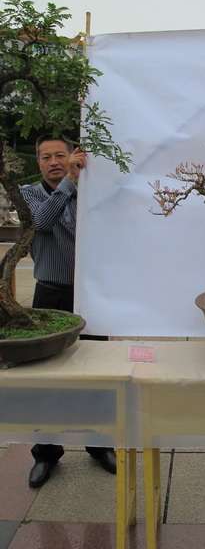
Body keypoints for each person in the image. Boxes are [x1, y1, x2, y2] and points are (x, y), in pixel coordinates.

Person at [21, 135, 116, 488]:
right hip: (50, 291)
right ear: (38, 162)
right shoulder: (29, 193)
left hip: (90, 293)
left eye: (60, 155)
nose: (54, 162)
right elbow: (42, 223)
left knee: (97, 372)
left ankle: (100, 444)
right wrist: (69, 184)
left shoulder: (91, 191)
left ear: (72, 156)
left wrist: (78, 186)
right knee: (46, 375)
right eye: (46, 157)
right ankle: (46, 452)